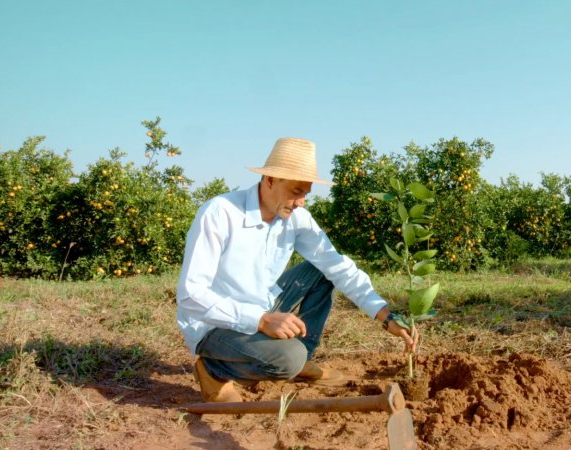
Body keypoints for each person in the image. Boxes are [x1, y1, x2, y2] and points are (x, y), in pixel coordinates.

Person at [176, 137, 417, 403]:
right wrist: (262, 320)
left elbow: (336, 265)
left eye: (306, 193)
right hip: (214, 325)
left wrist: (385, 316)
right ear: (269, 180)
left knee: (322, 271)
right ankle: (213, 370)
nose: (301, 201)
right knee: (288, 359)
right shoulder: (220, 213)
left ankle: (303, 359)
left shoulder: (296, 217)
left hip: (264, 305)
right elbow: (191, 295)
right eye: (296, 191)